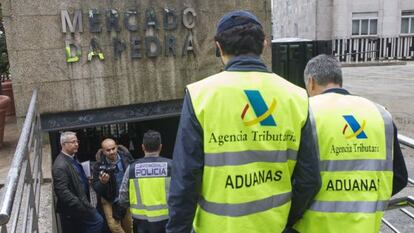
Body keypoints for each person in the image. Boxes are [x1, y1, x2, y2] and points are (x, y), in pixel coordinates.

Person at [166, 10, 321, 233]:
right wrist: (286, 218)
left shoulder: (201, 95)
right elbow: (309, 179)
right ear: (264, 44)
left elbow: (185, 181)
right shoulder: (295, 96)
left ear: (218, 46)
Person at [293, 54, 408, 233]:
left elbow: (303, 180)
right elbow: (399, 177)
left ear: (311, 82)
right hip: (365, 227)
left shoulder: (305, 112)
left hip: (314, 227)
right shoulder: (380, 114)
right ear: (339, 79)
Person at [119, 130, 172, 233]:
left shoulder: (132, 168)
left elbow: (122, 197)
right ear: (160, 147)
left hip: (141, 223)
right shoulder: (172, 166)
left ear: (142, 147)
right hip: (167, 221)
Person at [52, 131, 104, 233]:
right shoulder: (60, 165)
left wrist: (85, 179)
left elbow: (75, 177)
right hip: (77, 206)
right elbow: (62, 191)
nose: (76, 144)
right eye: (72, 142)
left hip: (81, 203)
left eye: (77, 141)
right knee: (98, 221)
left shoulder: (71, 157)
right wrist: (80, 205)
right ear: (63, 144)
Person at [93, 138, 134, 233]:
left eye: (113, 148)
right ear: (103, 151)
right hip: (108, 199)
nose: (111, 152)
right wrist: (103, 182)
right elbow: (96, 187)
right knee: (114, 226)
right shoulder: (99, 165)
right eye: (108, 150)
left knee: (128, 225)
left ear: (117, 147)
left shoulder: (126, 158)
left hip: (125, 196)